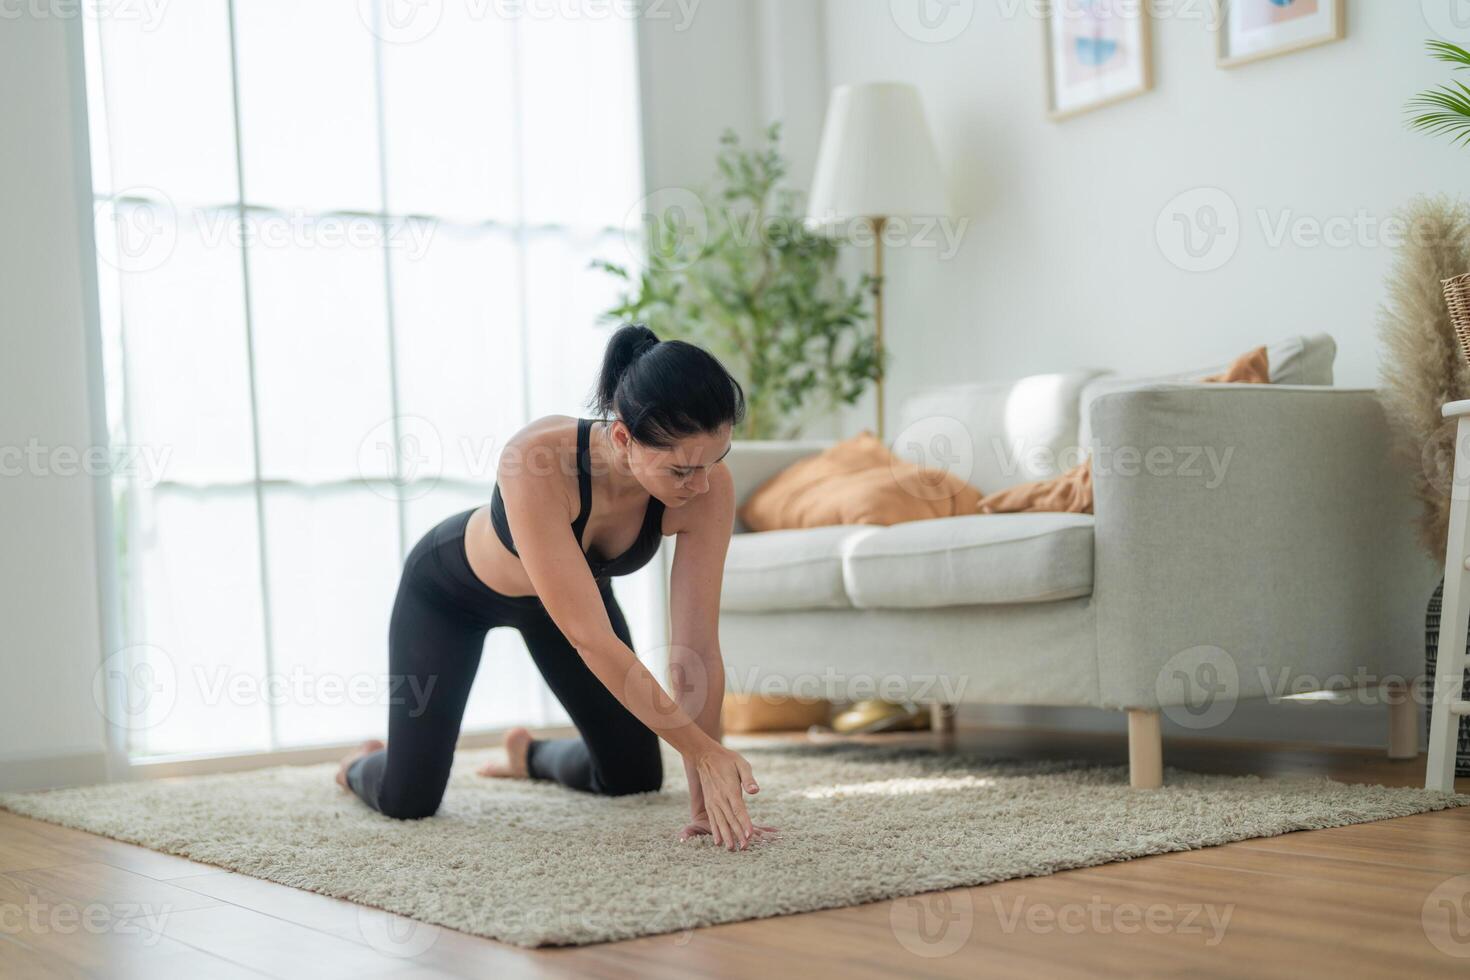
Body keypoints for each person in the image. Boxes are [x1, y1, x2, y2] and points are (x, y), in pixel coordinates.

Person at [336, 323, 775, 850]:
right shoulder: (538, 460)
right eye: (681, 470)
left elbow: (696, 650)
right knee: (408, 800)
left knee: (633, 777)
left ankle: (530, 757)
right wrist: (703, 751)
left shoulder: (705, 485)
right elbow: (592, 639)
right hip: (450, 597)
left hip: (567, 605)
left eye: (714, 461)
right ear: (621, 438)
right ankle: (359, 764)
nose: (701, 484)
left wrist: (708, 802)